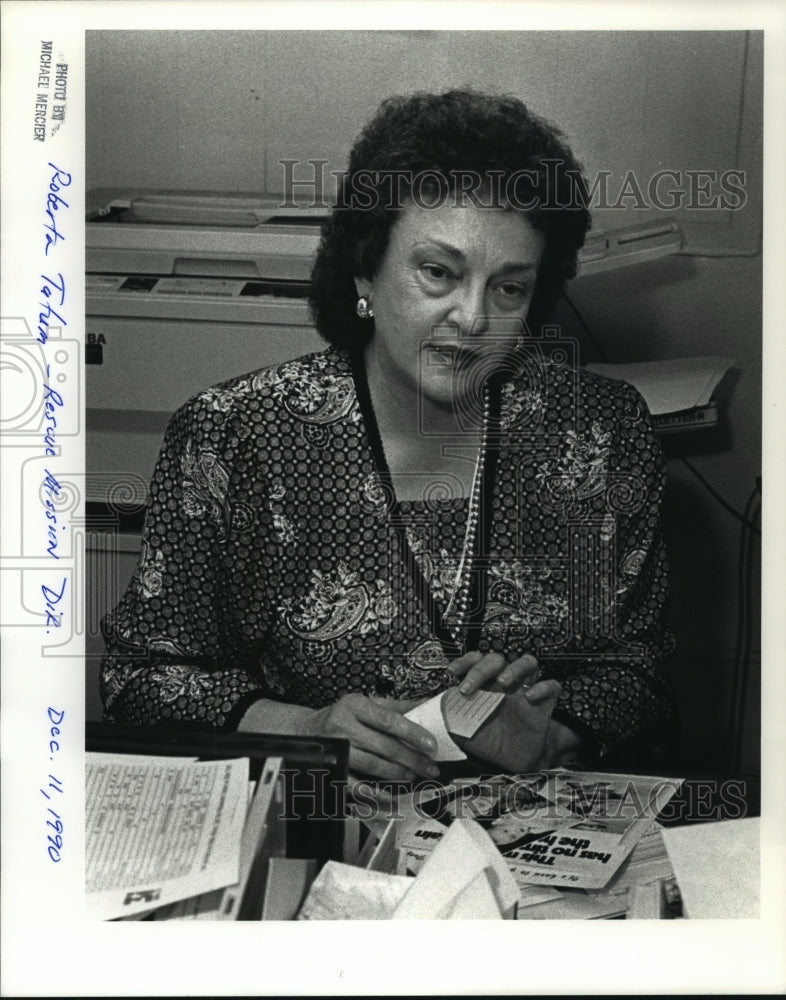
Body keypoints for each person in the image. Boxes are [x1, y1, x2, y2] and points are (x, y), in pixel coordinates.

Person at [100, 89, 676, 783]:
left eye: (509, 289)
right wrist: (304, 727)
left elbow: (638, 670)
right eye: (438, 272)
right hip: (320, 820)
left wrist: (554, 737)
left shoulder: (602, 432)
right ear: (365, 269)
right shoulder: (236, 436)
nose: (472, 318)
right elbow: (141, 679)